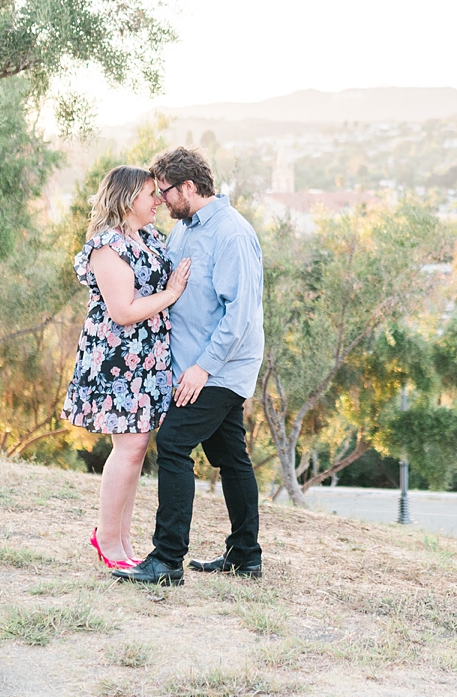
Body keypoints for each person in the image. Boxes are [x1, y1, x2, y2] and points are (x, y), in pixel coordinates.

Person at [113, 147, 264, 586]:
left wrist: (201, 369)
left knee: (175, 444)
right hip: (192, 366)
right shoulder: (184, 230)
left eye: (164, 192)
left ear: (189, 188)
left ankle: (167, 561)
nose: (160, 201)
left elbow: (240, 317)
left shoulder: (231, 235)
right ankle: (245, 556)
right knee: (230, 456)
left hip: (218, 368)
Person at [62, 165, 191, 569]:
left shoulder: (149, 237)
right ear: (126, 198)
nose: (158, 201)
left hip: (148, 360)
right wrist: (171, 294)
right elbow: (122, 311)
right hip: (119, 360)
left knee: (136, 450)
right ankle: (107, 539)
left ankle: (119, 540)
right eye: (150, 194)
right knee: (130, 448)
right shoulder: (107, 246)